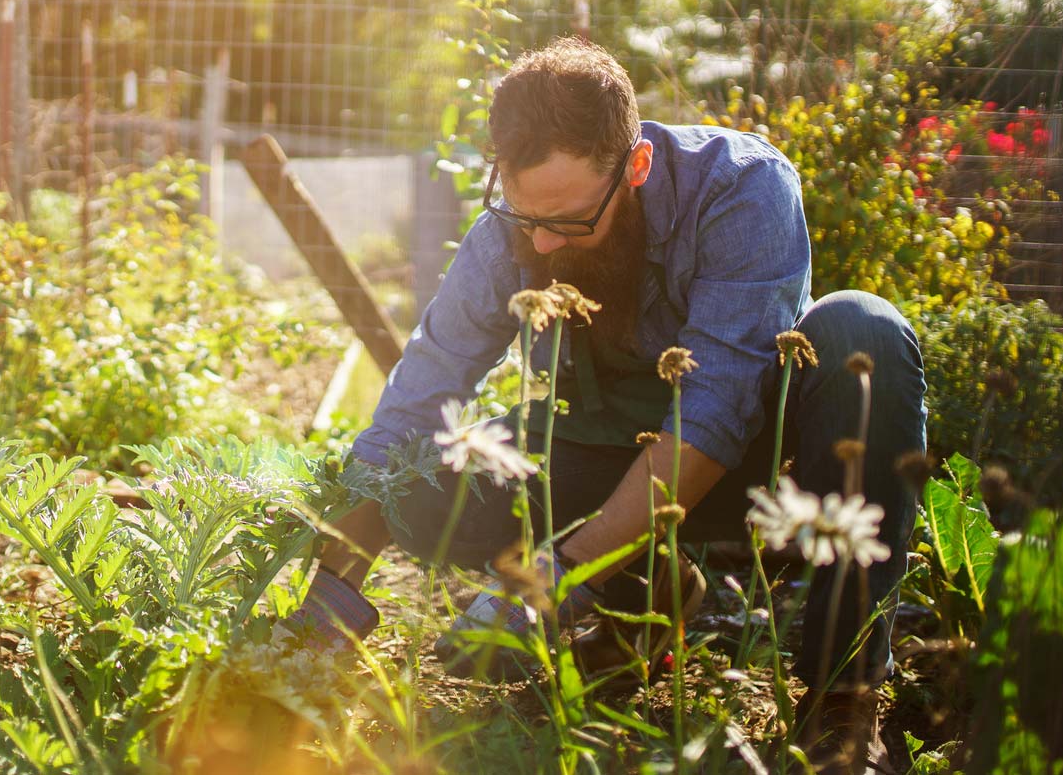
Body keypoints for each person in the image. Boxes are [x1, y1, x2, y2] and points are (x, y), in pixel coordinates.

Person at [276, 38, 924, 775]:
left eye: (571, 221)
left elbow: (714, 411)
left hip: (753, 478)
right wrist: (330, 593)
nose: (545, 242)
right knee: (423, 482)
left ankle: (842, 700)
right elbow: (418, 396)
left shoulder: (741, 190)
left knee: (862, 330)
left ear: (636, 166)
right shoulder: (513, 230)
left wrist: (554, 578)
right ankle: (638, 602)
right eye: (526, 217)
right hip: (599, 461)